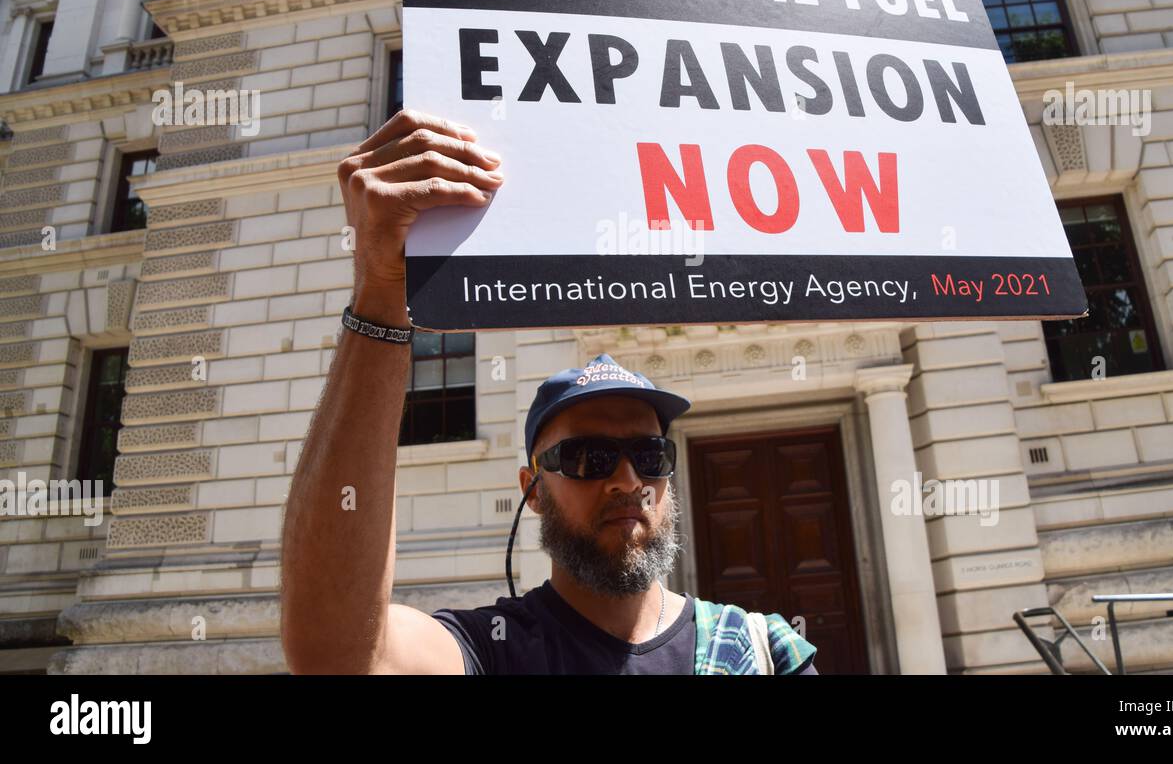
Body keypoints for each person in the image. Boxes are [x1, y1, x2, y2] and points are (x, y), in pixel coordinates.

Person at [280, 109, 816, 675]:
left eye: (650, 455)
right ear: (532, 490)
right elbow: (335, 654)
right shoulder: (492, 649)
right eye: (590, 457)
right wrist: (380, 292)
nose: (629, 480)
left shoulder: (758, 651)